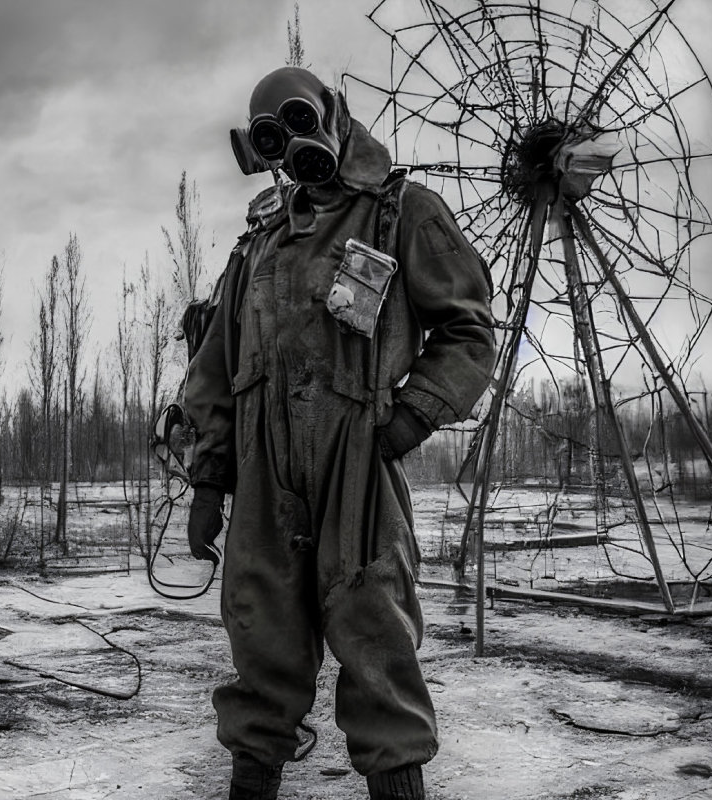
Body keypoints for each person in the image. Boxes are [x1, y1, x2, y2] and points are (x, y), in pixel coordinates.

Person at [183, 67, 495, 800]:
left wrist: (411, 417)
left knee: (375, 636)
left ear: (333, 116)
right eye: (272, 136)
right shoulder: (257, 242)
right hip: (266, 475)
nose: (292, 145)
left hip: (358, 462)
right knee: (259, 639)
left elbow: (469, 332)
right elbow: (216, 368)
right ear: (257, 148)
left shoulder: (403, 213)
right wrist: (208, 478)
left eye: (299, 121)